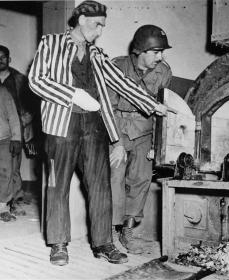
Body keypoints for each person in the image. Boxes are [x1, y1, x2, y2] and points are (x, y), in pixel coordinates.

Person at [28, 0, 169, 266]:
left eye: (103, 25)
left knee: (101, 187)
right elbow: (36, 80)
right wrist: (74, 95)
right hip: (61, 126)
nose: (100, 31)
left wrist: (154, 105)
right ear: (81, 20)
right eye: (97, 25)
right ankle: (59, 244)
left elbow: (122, 81)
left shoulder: (98, 54)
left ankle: (103, 243)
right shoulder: (51, 43)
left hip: (94, 127)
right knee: (57, 185)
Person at [109, 25, 172, 254]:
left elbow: (162, 111)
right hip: (119, 128)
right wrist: (116, 143)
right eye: (156, 52)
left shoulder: (163, 71)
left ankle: (127, 230)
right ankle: (112, 231)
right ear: (141, 51)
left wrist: (157, 145)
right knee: (115, 178)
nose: (161, 57)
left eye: (162, 52)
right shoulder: (117, 66)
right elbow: (109, 107)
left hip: (145, 130)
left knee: (141, 179)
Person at [0, 45, 36, 216]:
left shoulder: (19, 79)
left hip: (15, 129)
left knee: (13, 167)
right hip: (2, 127)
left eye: (3, 57)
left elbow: (32, 104)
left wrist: (26, 120)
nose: (0, 60)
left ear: (9, 59)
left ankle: (14, 199)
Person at [0, 85, 22, 222]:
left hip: (4, 139)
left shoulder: (3, 91)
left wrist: (16, 138)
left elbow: (13, 116)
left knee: (5, 173)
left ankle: (2, 207)